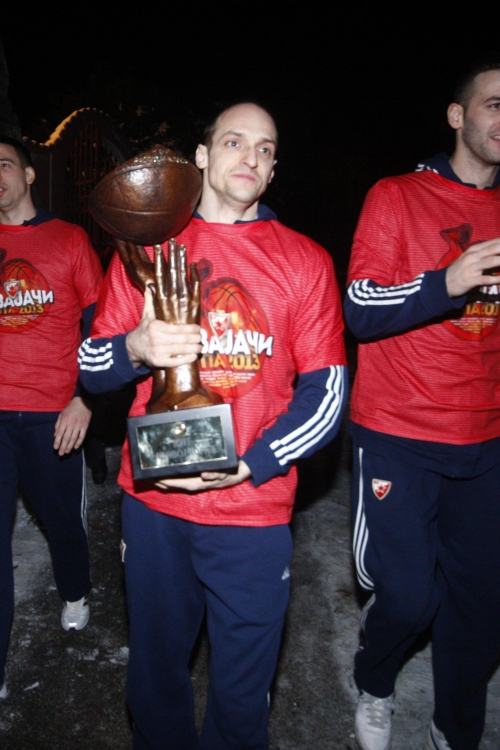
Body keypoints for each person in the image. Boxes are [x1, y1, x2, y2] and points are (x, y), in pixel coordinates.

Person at [78, 102, 347, 750]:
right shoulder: (148, 246)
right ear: (201, 157)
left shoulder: (305, 260)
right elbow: (89, 367)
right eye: (234, 141)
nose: (250, 156)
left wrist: (253, 464)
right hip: (154, 506)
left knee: (242, 694)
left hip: (253, 510)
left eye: (265, 148)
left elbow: (327, 394)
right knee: (154, 679)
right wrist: (135, 348)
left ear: (274, 168)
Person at [344, 63, 500, 750]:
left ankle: (454, 729)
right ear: (458, 116)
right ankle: (375, 680)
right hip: (399, 431)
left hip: (487, 440)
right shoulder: (398, 195)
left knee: (484, 603)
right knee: (409, 598)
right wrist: (447, 281)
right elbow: (359, 307)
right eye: (493, 104)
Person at [0, 135, 103, 697]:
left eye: (4, 164)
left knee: (62, 523)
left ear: (29, 174)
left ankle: (75, 589)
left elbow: (100, 326)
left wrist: (85, 398)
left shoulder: (68, 239)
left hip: (52, 415)